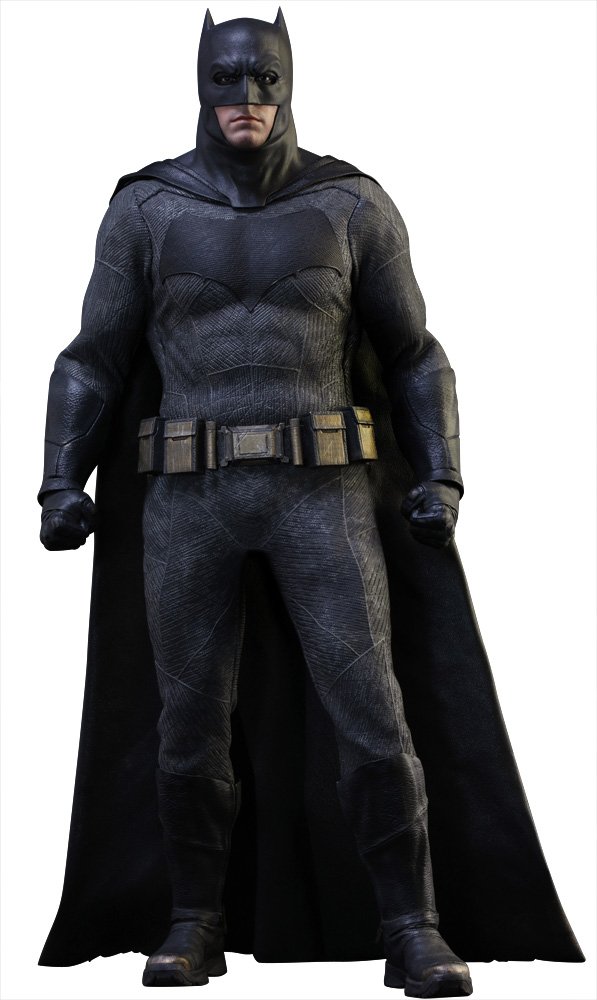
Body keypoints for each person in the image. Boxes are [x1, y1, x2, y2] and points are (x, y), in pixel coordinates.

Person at [37, 9, 583, 997]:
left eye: (264, 79)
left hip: (320, 497)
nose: (245, 98)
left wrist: (441, 473)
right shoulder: (147, 210)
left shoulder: (350, 204)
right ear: (199, 82)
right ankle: (193, 922)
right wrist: (59, 480)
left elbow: (416, 356)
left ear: (288, 82)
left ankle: (413, 927)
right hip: (190, 501)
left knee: (372, 712)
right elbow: (92, 360)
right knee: (185, 724)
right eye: (226, 79)